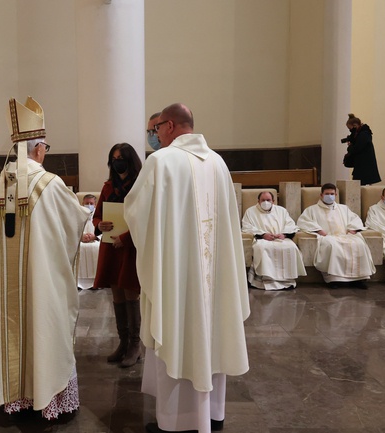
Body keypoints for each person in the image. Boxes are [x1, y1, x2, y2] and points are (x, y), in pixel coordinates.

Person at [125, 103, 250, 433]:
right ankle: (212, 414)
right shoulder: (219, 163)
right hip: (214, 279)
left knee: (180, 332)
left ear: (167, 126)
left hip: (178, 279)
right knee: (210, 336)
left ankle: (176, 421)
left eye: (155, 131)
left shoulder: (161, 162)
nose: (154, 137)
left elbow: (137, 214)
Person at [0, 96, 89, 419]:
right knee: (44, 328)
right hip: (40, 286)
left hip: (5, 290)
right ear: (39, 148)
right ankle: (46, 397)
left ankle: (16, 399)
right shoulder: (50, 184)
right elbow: (75, 223)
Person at [93, 142, 143, 368]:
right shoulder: (108, 186)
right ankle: (123, 342)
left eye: (121, 158)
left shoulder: (140, 186)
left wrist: (127, 238)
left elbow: (145, 219)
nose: (117, 162)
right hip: (111, 246)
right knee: (117, 296)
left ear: (130, 160)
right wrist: (99, 224)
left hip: (130, 247)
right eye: (114, 159)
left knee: (131, 295)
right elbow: (96, 216)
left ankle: (135, 345)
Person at [297, 183, 375, 289]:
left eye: (332, 194)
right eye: (327, 193)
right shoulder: (312, 209)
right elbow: (303, 221)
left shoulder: (344, 208)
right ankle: (334, 280)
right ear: (321, 195)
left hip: (345, 235)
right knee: (332, 245)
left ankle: (359, 279)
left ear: (336, 194)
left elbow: (354, 219)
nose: (330, 196)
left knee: (359, 243)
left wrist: (352, 228)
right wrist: (319, 230)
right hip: (327, 236)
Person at [241, 191, 307, 290]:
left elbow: (290, 224)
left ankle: (287, 281)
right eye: (263, 200)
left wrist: (283, 234)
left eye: (268, 200)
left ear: (273, 201)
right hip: (262, 239)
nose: (266, 202)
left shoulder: (281, 211)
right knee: (261, 248)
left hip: (280, 238)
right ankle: (266, 279)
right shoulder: (250, 212)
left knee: (291, 247)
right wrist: (263, 234)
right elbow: (246, 226)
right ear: (258, 201)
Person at [342, 113, 381, 185]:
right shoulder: (362, 134)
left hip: (364, 166)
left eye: (350, 129)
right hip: (362, 165)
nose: (350, 131)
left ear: (355, 125)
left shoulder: (364, 134)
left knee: (361, 185)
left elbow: (356, 149)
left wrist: (350, 146)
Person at [78, 194, 100, 290]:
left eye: (91, 203)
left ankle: (97, 281)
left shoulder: (99, 215)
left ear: (95, 205)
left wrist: (95, 236)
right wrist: (80, 236)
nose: (89, 205)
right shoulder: (77, 214)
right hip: (80, 241)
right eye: (87, 203)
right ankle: (78, 282)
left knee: (98, 248)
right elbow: (72, 228)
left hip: (95, 240)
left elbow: (103, 229)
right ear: (82, 204)